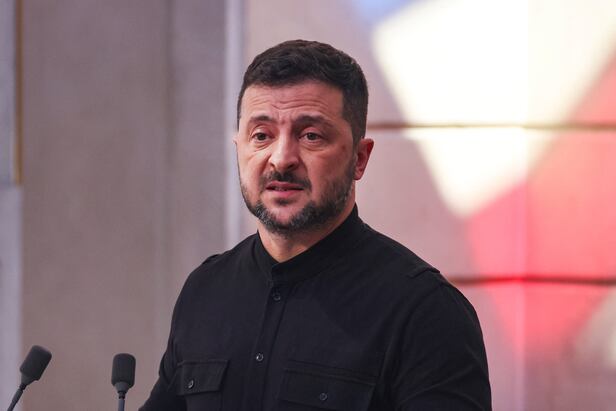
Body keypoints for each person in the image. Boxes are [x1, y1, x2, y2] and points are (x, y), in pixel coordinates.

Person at [140, 39, 491, 411]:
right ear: (238, 148)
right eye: (261, 136)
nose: (281, 159)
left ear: (359, 158)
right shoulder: (205, 290)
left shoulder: (425, 311)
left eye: (311, 136)